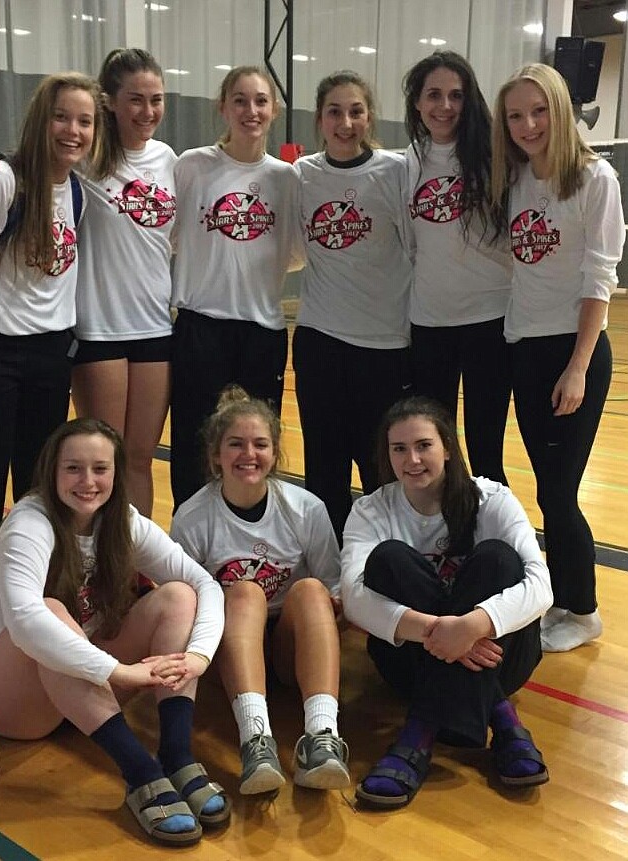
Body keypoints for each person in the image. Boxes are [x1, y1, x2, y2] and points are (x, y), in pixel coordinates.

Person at [0, 418, 230, 846]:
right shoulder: (30, 522)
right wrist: (118, 673)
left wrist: (199, 655)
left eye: (100, 469)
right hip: (7, 694)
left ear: (116, 473)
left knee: (177, 595)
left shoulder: (123, 520)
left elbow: (205, 584)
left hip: (85, 688)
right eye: (73, 468)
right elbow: (27, 621)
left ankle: (177, 755)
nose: (87, 481)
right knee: (49, 612)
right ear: (52, 471)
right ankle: (141, 773)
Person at [0, 48, 176, 521]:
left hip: (136, 330)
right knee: (87, 466)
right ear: (111, 104)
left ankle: (127, 569)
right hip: (84, 332)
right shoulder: (81, 165)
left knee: (126, 462)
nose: (147, 110)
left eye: (157, 99)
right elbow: (22, 169)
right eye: (135, 99)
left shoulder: (166, 161)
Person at [0, 73, 103, 641]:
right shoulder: (1, 183)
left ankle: (26, 598)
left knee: (39, 489)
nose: (73, 130)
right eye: (63, 117)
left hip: (49, 357)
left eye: (84, 121)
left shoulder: (77, 190)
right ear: (41, 120)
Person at [341, 396, 552, 809]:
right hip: (414, 660)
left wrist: (472, 627)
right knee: (389, 558)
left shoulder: (491, 500)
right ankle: (503, 720)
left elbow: (542, 586)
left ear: (448, 449)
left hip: (501, 658)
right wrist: (441, 634)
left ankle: (418, 731)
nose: (412, 459)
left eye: (424, 445)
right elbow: (353, 598)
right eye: (399, 448)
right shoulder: (370, 510)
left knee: (496, 557)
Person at [491, 63, 625, 652]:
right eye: (516, 115)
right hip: (524, 346)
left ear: (562, 111)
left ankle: (583, 607)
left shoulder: (595, 179)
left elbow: (601, 279)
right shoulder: (516, 180)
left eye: (539, 111)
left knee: (559, 491)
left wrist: (577, 365)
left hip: (574, 354)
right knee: (547, 481)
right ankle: (561, 597)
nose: (528, 124)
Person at [170, 387, 349, 795]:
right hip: (226, 647)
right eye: (235, 444)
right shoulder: (194, 516)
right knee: (245, 593)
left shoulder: (305, 508)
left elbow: (333, 582)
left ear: (274, 453)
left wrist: (336, 606)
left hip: (287, 649)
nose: (248, 454)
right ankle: (256, 738)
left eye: (260, 444)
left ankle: (322, 735)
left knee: (309, 589)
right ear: (216, 455)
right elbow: (182, 600)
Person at [169, 65, 302, 509]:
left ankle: (247, 548)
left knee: (254, 451)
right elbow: (165, 235)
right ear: (223, 107)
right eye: (240, 100)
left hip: (261, 331)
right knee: (194, 447)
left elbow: (297, 252)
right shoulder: (192, 166)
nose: (251, 110)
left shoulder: (287, 179)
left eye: (261, 101)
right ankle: (190, 555)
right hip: (200, 325)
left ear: (274, 110)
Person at [292, 70, 412, 544]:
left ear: (370, 117)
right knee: (324, 464)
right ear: (320, 119)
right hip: (321, 341)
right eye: (335, 112)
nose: (346, 122)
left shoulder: (396, 171)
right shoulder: (301, 175)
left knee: (380, 466)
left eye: (356, 111)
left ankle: (383, 562)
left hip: (384, 344)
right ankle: (330, 572)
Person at [403, 51, 511, 484]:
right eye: (434, 95)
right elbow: (408, 244)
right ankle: (441, 544)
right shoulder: (406, 162)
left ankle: (490, 545)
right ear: (416, 102)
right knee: (435, 453)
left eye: (456, 96)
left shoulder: (496, 156)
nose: (444, 106)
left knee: (486, 450)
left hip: (489, 321)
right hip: (429, 324)